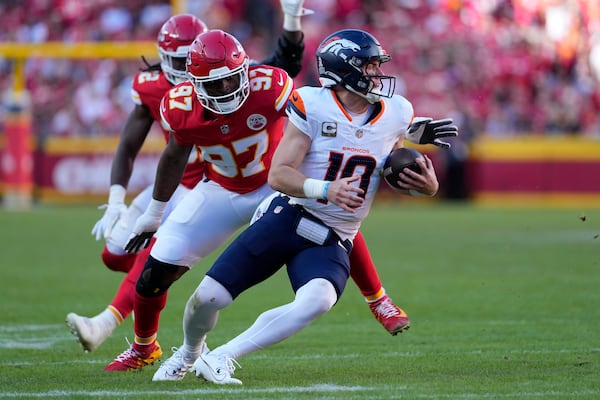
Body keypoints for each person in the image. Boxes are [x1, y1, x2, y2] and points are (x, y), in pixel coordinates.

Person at [159, 28, 443, 385]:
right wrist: (326, 189)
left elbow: (386, 161)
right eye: (369, 66)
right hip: (288, 216)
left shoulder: (398, 112)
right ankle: (188, 352)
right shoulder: (312, 103)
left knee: (318, 299)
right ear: (345, 69)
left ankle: (221, 357)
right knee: (209, 297)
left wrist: (427, 188)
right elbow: (278, 175)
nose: (376, 74)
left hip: (335, 236)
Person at [65, 1, 308, 353]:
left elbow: (283, 66)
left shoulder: (233, 76)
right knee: (115, 254)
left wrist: (291, 19)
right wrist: (119, 200)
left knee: (160, 253)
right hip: (183, 181)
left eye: (186, 60)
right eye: (176, 61)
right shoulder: (163, 93)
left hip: (212, 181)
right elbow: (147, 149)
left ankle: (114, 327)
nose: (182, 68)